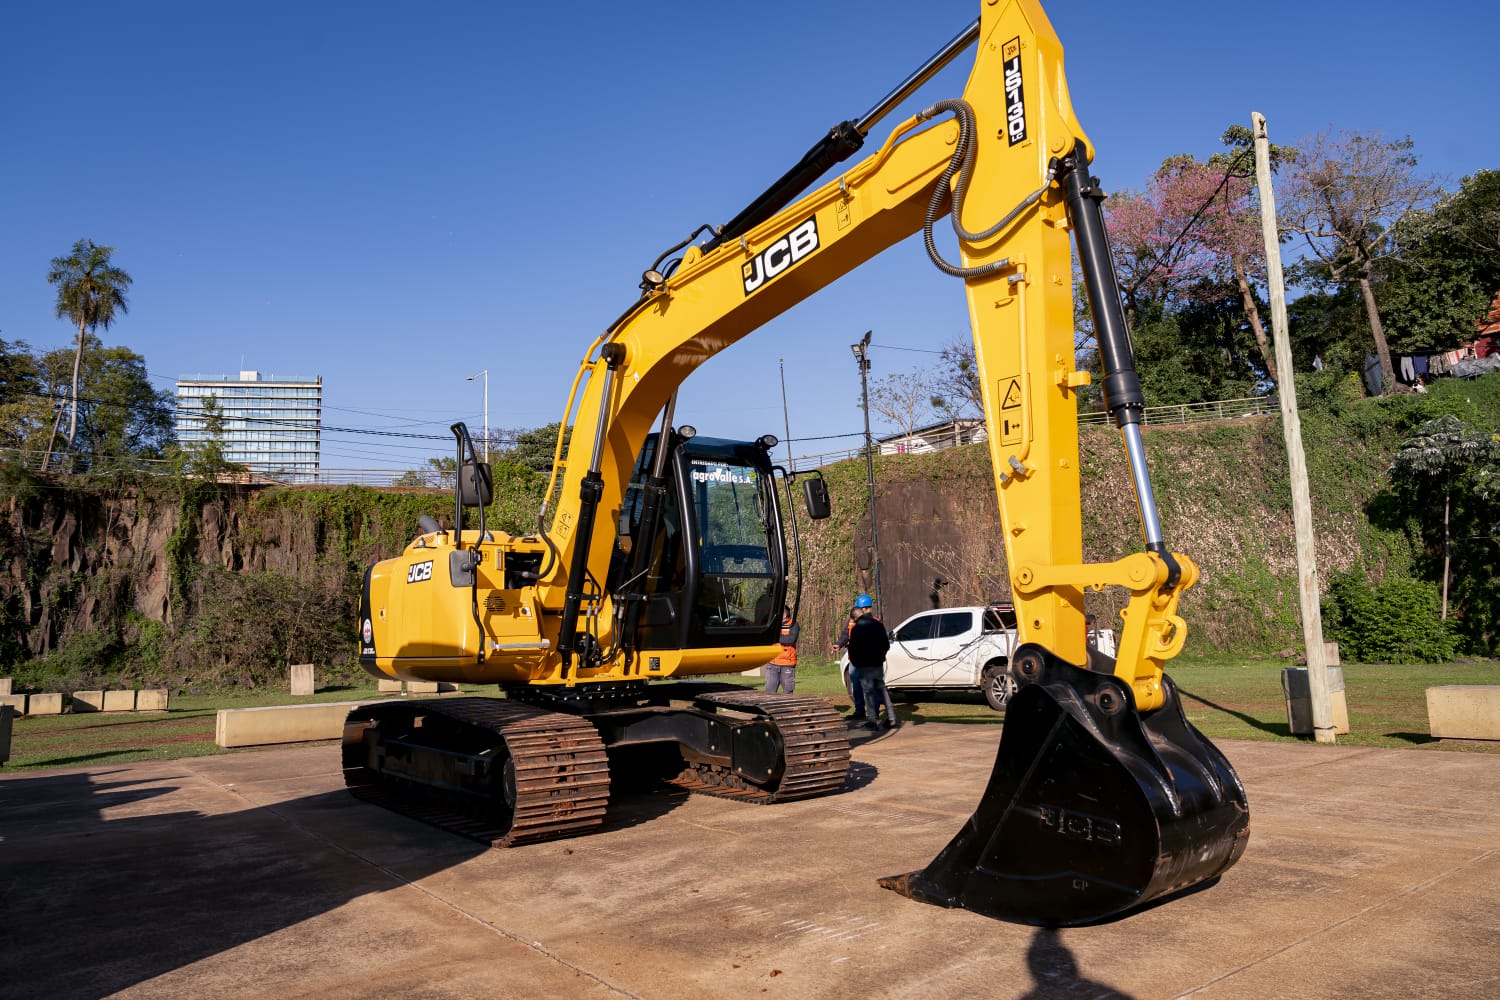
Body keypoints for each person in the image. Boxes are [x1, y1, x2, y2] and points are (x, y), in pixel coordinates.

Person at [845, 594, 895, 731]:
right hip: (877, 664)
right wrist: (880, 657)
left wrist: (857, 662)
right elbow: (886, 644)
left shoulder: (857, 629)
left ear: (855, 617)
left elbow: (853, 649)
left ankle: (872, 721)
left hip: (864, 666)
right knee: (882, 690)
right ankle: (891, 718)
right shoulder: (878, 625)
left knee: (868, 693)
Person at [832, 605, 863, 717]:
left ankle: (873, 715)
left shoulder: (872, 622)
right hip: (853, 659)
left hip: (866, 660)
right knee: (856, 685)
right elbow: (845, 634)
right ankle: (860, 711)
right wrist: (839, 644)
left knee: (870, 687)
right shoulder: (851, 621)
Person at [764, 606, 799, 694]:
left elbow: (791, 640)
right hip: (772, 663)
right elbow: (767, 636)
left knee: (788, 692)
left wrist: (775, 637)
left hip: (787, 664)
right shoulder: (772, 623)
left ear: (785, 615)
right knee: (769, 692)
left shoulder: (794, 625)